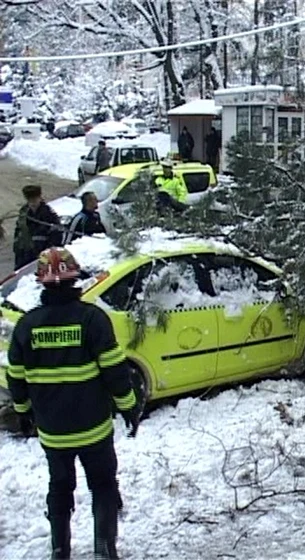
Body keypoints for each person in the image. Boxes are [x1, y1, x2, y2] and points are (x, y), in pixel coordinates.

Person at [6, 247, 140, 559]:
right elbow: (115, 371)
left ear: (42, 282)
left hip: (53, 432)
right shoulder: (92, 319)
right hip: (94, 429)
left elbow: (16, 377)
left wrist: (24, 412)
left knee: (60, 488)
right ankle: (104, 549)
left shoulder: (27, 326)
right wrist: (128, 406)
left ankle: (59, 550)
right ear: (75, 279)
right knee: (103, 485)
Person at [13, 185, 63, 270]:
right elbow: (18, 231)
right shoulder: (24, 212)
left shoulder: (48, 214)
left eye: (34, 200)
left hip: (41, 255)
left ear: (39, 198)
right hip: (24, 255)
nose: (32, 203)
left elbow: (56, 235)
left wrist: (48, 254)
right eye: (30, 200)